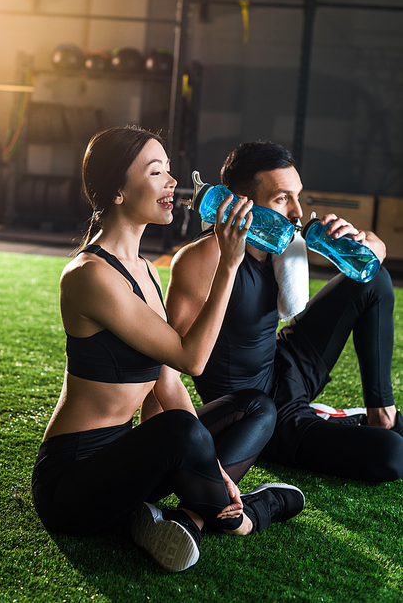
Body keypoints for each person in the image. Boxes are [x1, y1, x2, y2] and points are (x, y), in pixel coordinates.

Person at [31, 127, 304, 574]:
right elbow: (191, 358)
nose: (171, 183)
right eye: (155, 172)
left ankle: (192, 515)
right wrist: (229, 264)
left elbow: (169, 380)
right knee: (182, 429)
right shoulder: (89, 275)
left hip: (127, 464)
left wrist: (211, 467)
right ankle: (249, 517)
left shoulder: (144, 271)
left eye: (170, 171)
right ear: (118, 191)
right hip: (73, 485)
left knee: (255, 407)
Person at [166, 140, 403, 483]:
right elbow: (175, 363)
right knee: (391, 454)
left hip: (286, 364)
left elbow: (371, 270)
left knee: (375, 279)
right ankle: (334, 420)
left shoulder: (283, 242)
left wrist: (364, 246)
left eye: (297, 196)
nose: (297, 212)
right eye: (282, 198)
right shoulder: (202, 259)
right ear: (241, 203)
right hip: (262, 413)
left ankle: (380, 413)